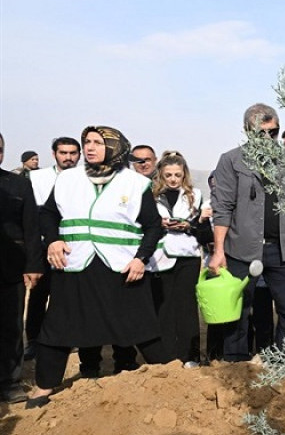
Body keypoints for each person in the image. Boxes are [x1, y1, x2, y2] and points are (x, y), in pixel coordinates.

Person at [27, 126, 169, 408]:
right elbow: (47, 214)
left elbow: (153, 227)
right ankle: (43, 387)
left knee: (139, 325)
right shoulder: (68, 179)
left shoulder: (134, 183)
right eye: (86, 142)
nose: (89, 147)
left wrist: (141, 258)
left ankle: (168, 379)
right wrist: (53, 241)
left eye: (97, 142)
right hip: (75, 263)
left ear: (114, 147)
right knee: (59, 325)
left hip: (120, 267)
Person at [208, 103, 285, 360]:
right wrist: (219, 251)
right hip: (241, 249)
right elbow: (222, 207)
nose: (267, 138)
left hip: (284, 249)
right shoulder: (231, 160)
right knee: (239, 310)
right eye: (260, 133)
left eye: (273, 132)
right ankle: (235, 362)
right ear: (247, 131)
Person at [150, 151, 212, 367]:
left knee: (186, 307)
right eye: (168, 175)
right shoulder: (151, 195)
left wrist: (190, 226)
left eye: (178, 174)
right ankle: (167, 355)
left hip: (188, 255)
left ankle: (190, 355)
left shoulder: (196, 195)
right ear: (161, 174)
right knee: (164, 307)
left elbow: (205, 231)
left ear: (184, 174)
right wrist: (160, 225)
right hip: (159, 257)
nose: (173, 179)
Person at [24, 137, 81, 361]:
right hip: (42, 244)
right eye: (63, 153)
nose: (68, 157)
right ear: (54, 154)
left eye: (73, 153)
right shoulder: (37, 177)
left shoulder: (84, 178)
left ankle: (69, 338)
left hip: (73, 246)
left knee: (68, 295)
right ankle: (34, 341)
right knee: (39, 294)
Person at [0, 133, 44, 404]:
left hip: (9, 266)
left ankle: (8, 381)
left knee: (10, 325)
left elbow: (31, 227)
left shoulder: (17, 184)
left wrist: (33, 264)